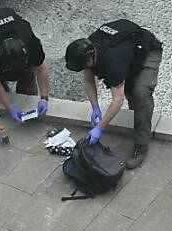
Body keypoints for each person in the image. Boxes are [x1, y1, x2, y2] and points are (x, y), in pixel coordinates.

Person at [64, 19, 162, 169]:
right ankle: (138, 115)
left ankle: (141, 146)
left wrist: (99, 128)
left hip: (148, 51)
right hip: (129, 54)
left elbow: (117, 100)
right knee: (128, 89)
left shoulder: (114, 59)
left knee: (140, 93)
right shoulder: (90, 48)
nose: (84, 69)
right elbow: (89, 81)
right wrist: (95, 108)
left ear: (91, 58)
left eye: (84, 66)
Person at [0, 7, 51, 124]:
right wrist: (9, 107)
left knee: (27, 78)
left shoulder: (30, 42)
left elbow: (41, 68)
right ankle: (8, 98)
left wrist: (44, 98)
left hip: (21, 52)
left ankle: (26, 98)